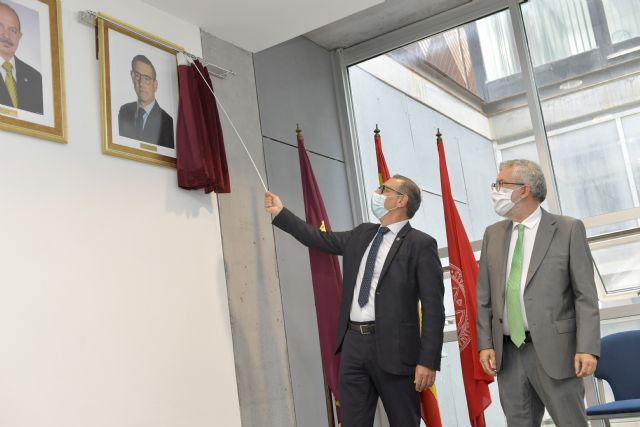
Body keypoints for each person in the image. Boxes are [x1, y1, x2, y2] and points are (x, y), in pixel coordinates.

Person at [265, 175, 445, 427]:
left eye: (384, 189)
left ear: (401, 200)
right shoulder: (362, 234)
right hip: (353, 345)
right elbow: (320, 239)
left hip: (396, 350)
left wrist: (428, 360)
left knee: (404, 421)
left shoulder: (420, 244)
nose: (377, 192)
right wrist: (282, 213)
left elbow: (434, 307)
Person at [476, 159, 600, 426]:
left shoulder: (567, 229)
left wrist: (587, 348)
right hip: (508, 354)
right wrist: (485, 343)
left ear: (524, 190)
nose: (495, 190)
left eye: (500, 184)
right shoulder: (493, 234)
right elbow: (484, 297)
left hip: (557, 352)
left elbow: (585, 296)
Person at [118, 54, 174, 149]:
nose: (141, 83)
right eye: (137, 76)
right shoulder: (124, 111)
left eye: (146, 79)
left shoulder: (167, 122)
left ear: (155, 85)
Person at [0, 1, 43, 114]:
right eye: (0, 26)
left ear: (19, 36)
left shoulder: (36, 78)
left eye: (13, 30)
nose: (6, 35)